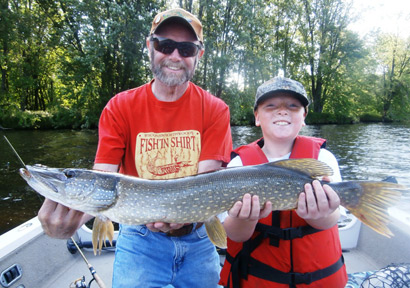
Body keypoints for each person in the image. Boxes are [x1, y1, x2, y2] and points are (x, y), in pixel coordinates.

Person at [38, 8, 232, 287]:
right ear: (150, 47)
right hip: (138, 239)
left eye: (186, 49)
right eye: (165, 45)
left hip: (198, 239)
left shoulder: (215, 109)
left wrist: (185, 218)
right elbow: (102, 181)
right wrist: (70, 222)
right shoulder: (119, 107)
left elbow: (207, 187)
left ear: (198, 55)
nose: (175, 56)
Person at [219, 76, 348, 288]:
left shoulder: (323, 159)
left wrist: (319, 215)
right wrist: (245, 219)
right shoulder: (238, 165)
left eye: (293, 106)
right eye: (270, 106)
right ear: (257, 117)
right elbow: (236, 234)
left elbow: (331, 220)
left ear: (303, 117)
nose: (282, 111)